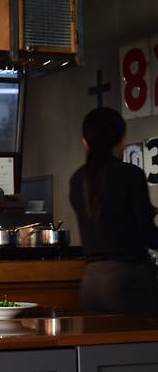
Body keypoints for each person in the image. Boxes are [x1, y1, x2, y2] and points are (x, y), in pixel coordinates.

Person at [69, 107, 158, 317]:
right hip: (128, 282)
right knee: (144, 348)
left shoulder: (76, 179)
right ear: (121, 140)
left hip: (90, 283)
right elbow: (147, 234)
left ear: (85, 141)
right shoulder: (130, 175)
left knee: (100, 350)